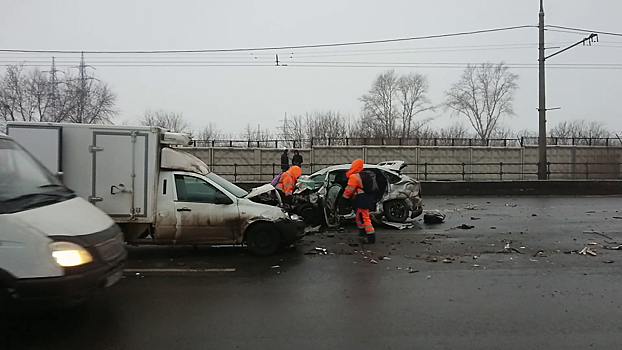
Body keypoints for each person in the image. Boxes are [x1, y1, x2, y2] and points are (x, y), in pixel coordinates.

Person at [342, 159, 376, 244]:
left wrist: (344, 198)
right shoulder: (364, 175)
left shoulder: (354, 177)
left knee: (364, 218)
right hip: (366, 199)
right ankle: (362, 234)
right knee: (359, 217)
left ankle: (371, 237)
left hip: (361, 200)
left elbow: (349, 189)